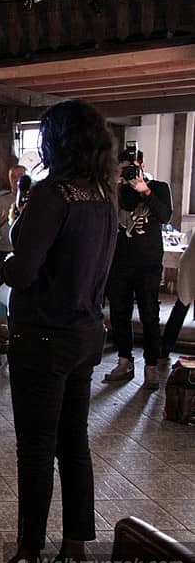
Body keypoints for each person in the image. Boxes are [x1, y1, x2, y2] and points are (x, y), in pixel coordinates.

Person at [0, 99, 119, 563]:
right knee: (74, 444)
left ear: (58, 142)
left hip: (44, 336)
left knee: (36, 449)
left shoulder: (53, 194)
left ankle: (27, 557)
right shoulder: (104, 194)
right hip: (85, 332)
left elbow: (22, 272)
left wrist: (7, 263)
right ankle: (74, 550)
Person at [104, 147, 173, 390]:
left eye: (132, 168)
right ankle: (125, 361)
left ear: (142, 166)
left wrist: (144, 190)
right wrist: (116, 185)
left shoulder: (159, 188)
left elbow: (165, 216)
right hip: (119, 263)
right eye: (124, 169)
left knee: (149, 314)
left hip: (148, 264)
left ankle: (151, 366)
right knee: (119, 313)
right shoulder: (115, 191)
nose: (129, 173)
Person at [0, 165, 27, 294]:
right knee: (1, 287)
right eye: (13, 177)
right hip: (5, 250)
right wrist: (1, 219)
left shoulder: (35, 200)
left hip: (27, 251)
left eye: (20, 176)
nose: (16, 180)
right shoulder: (2, 200)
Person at [161, 228, 195, 359]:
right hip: (191, 264)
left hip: (189, 262)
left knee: (181, 306)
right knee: (182, 305)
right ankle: (165, 348)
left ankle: (165, 348)